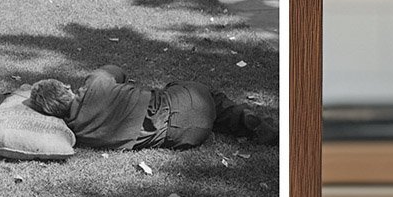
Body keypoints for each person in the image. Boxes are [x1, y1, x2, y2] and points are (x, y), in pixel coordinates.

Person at [28, 64, 277, 151]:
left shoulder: (78, 134)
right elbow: (117, 70)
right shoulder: (95, 85)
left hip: (183, 138)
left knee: (210, 109)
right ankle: (257, 126)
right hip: (187, 102)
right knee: (208, 96)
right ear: (66, 88)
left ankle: (226, 121)